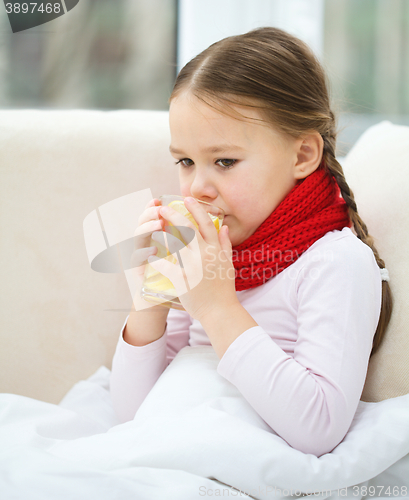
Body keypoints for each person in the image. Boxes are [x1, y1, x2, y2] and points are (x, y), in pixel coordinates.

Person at [109, 27, 393, 456]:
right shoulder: (205, 252)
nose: (196, 188)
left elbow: (318, 429)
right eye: (185, 161)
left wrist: (217, 307)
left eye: (224, 161)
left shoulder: (336, 261)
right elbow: (133, 418)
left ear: (301, 155)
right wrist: (147, 303)